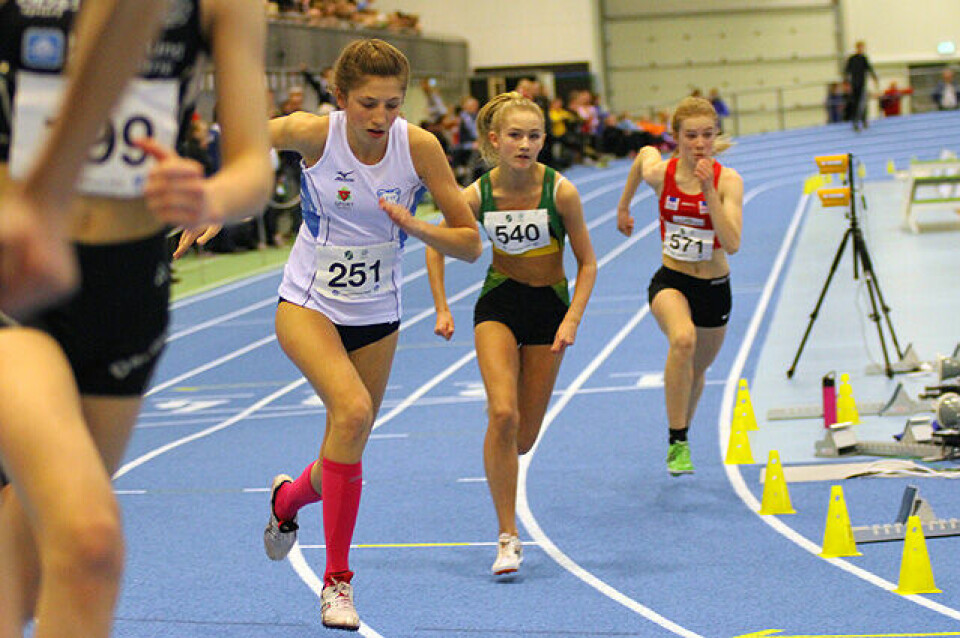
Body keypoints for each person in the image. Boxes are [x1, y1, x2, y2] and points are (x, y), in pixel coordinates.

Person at [0, 2, 272, 637]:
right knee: (90, 542)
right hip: (16, 274)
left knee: (29, 570)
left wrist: (208, 196)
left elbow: (253, 169)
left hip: (126, 292)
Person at [194, 38, 479, 630]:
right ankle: (338, 584)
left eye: (393, 105)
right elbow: (246, 136)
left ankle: (286, 502)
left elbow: (471, 243)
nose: (379, 119)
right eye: (368, 104)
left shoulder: (419, 147)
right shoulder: (313, 133)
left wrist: (415, 226)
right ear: (341, 96)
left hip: (379, 313)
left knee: (345, 451)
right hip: (308, 303)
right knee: (350, 414)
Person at [426, 92, 597, 576]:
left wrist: (572, 319)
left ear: (544, 140)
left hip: (549, 310)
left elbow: (588, 263)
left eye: (534, 136)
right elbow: (436, 247)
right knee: (502, 412)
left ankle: (507, 483)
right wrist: (442, 307)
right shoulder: (478, 195)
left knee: (522, 438)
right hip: (499, 302)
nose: (525, 144)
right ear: (495, 141)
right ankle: (507, 536)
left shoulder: (560, 192)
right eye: (515, 136)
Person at [615, 96, 743, 476]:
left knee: (697, 370)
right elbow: (643, 155)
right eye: (691, 136)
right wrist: (624, 206)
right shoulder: (662, 174)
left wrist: (708, 193)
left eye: (707, 135)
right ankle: (677, 439)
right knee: (682, 339)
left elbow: (732, 243)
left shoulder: (728, 181)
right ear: (677, 138)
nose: (700, 143)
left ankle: (682, 433)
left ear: (715, 136)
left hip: (714, 286)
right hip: (672, 279)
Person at [843, 41, 879, 131]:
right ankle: (855, 122)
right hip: (854, 84)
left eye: (862, 47)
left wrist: (875, 78)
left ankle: (864, 120)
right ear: (856, 48)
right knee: (855, 104)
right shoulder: (852, 59)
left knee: (863, 103)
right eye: (859, 47)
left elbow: (870, 69)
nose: (861, 49)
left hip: (862, 84)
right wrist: (846, 83)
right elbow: (847, 71)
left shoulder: (864, 58)